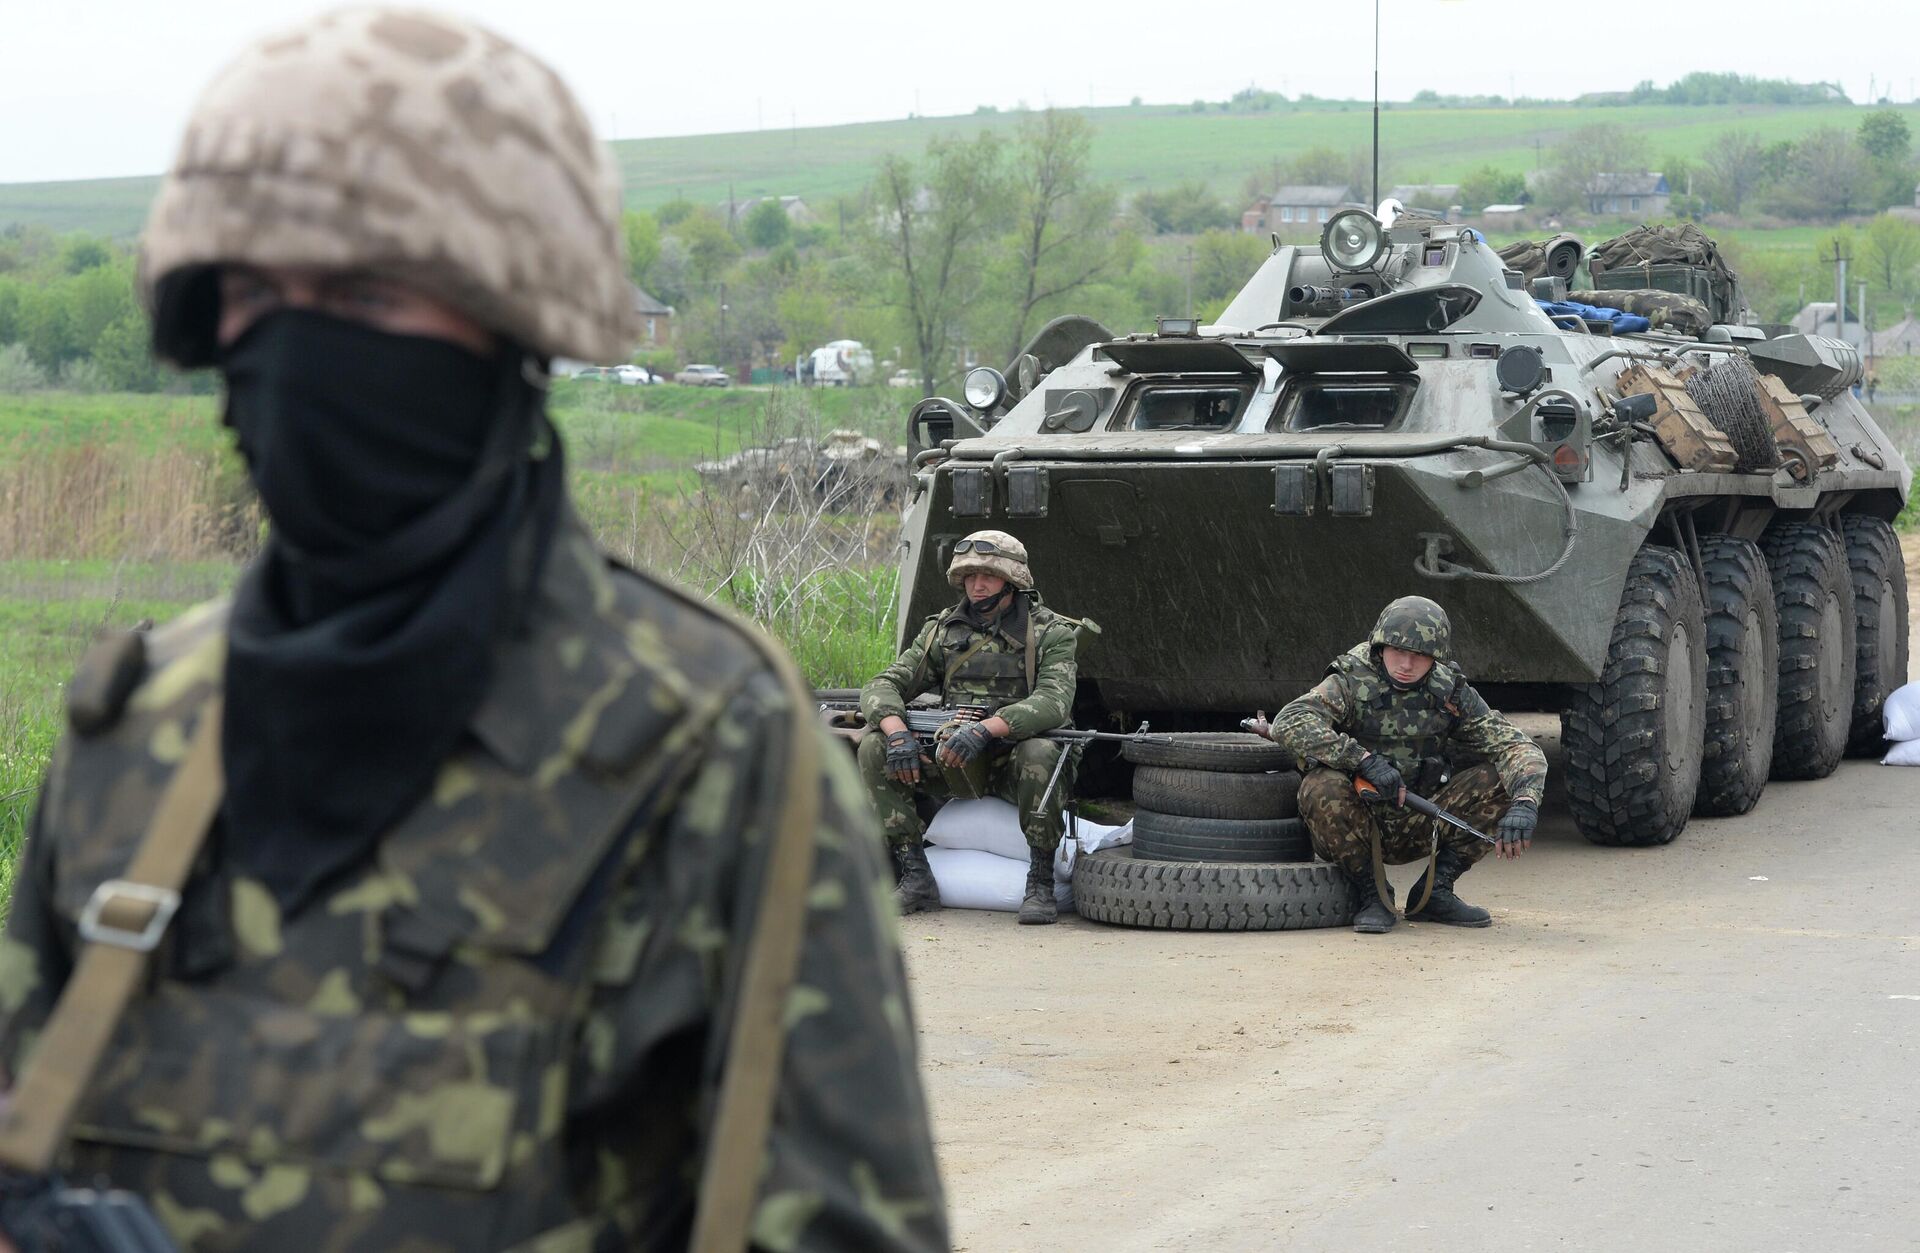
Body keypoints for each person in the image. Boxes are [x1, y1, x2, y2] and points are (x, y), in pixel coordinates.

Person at [0, 10, 948, 1251]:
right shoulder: (138, 733)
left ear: (512, 323)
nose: (296, 347)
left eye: (363, 291)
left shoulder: (707, 750)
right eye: (252, 292)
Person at [1256, 596, 1546, 934]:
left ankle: (1434, 893)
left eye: (1419, 656)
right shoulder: (1351, 679)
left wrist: (1526, 802)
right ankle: (1372, 895)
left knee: (1501, 781)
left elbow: (1513, 743)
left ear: (1436, 658)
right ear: (1380, 647)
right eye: (1397, 651)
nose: (1406, 664)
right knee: (1321, 786)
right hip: (1358, 819)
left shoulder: (1448, 690)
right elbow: (1292, 720)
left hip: (1422, 815)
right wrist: (1362, 760)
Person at [858, 531, 1085, 925]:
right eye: (969, 576)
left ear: (1011, 580)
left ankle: (1040, 880)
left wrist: (987, 730)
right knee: (873, 746)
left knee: (1041, 753)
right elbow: (883, 685)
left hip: (1012, 760)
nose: (977, 585)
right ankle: (915, 875)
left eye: (988, 576)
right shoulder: (942, 630)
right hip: (953, 758)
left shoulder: (1050, 632)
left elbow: (1053, 701)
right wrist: (896, 733)